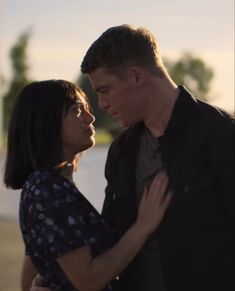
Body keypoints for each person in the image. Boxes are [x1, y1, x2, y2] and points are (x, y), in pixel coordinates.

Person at [80, 25, 234, 291]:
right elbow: (109, 238)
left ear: (137, 76)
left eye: (104, 90)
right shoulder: (122, 150)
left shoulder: (221, 134)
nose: (101, 104)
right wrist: (55, 281)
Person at [4, 79, 172, 291]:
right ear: (47, 122)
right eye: (77, 110)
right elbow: (88, 280)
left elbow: (32, 269)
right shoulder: (48, 190)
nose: (90, 117)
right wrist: (143, 226)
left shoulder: (49, 186)